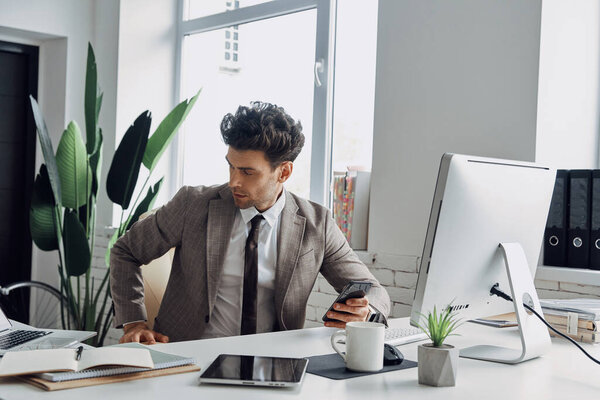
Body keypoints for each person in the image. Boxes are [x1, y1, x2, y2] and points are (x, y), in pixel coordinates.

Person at [110, 101, 390, 344]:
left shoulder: (317, 224)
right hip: (189, 353)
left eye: (247, 172)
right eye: (231, 166)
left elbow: (373, 289)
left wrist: (366, 312)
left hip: (273, 361)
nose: (234, 181)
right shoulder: (192, 205)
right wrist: (134, 321)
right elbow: (125, 251)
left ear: (284, 172)